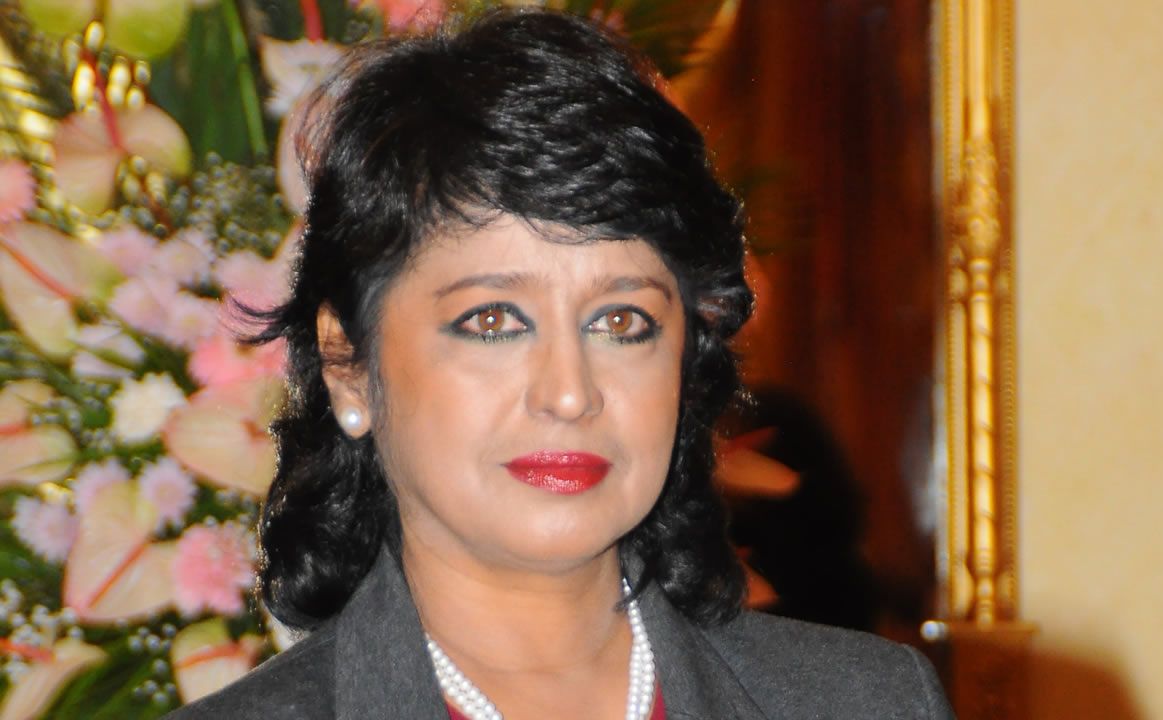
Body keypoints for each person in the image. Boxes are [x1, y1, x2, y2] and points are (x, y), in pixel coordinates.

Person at [169, 9, 953, 719]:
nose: (570, 393)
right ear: (348, 363)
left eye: (621, 321)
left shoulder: (871, 702)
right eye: (492, 321)